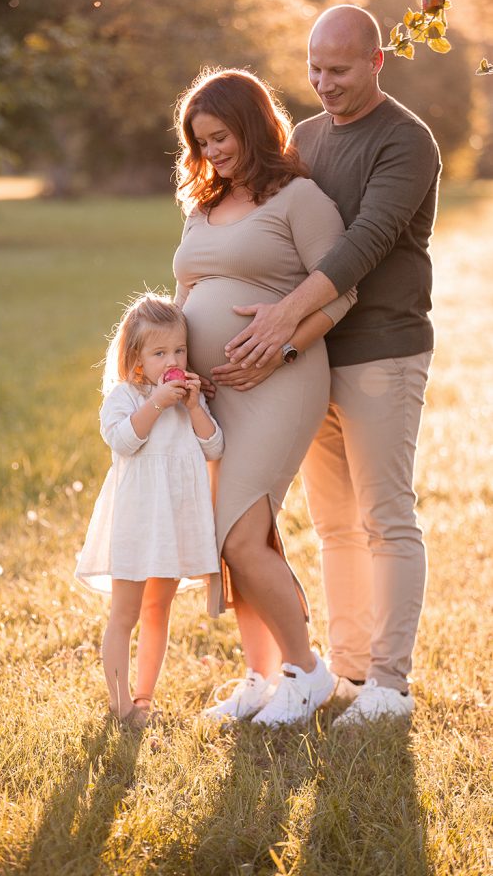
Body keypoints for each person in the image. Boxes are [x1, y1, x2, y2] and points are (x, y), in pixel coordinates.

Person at [211, 5, 441, 725]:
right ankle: (345, 672)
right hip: (306, 365)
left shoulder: (406, 139)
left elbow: (363, 243)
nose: (322, 83)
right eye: (313, 68)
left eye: (338, 69)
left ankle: (388, 685)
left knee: (385, 517)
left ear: (375, 61)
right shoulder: (305, 137)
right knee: (334, 526)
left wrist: (283, 318)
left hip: (381, 352)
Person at [172, 68, 357, 726]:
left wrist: (279, 347)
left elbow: (340, 290)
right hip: (210, 398)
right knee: (235, 536)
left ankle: (308, 673)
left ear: (251, 125)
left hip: (280, 382)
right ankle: (259, 677)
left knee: (239, 536)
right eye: (200, 144)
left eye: (220, 137)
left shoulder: (298, 198)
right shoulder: (203, 205)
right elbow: (187, 294)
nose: (211, 153)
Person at [75, 293, 224, 728]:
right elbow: (123, 441)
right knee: (125, 613)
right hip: (137, 522)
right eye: (160, 352)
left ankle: (144, 699)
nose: (172, 359)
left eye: (179, 350)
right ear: (136, 358)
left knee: (159, 608)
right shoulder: (125, 397)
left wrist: (194, 407)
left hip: (174, 522)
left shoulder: (187, 400)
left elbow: (214, 447)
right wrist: (156, 402)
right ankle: (119, 703)